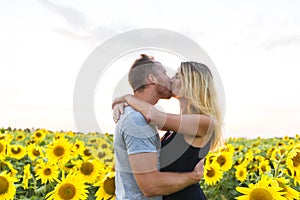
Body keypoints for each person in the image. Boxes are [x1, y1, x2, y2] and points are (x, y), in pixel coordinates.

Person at [113, 56, 223, 199]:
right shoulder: (177, 124)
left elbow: (154, 116)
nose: (171, 79)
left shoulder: (205, 122)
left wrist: (128, 98)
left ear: (191, 84)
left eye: (177, 76)